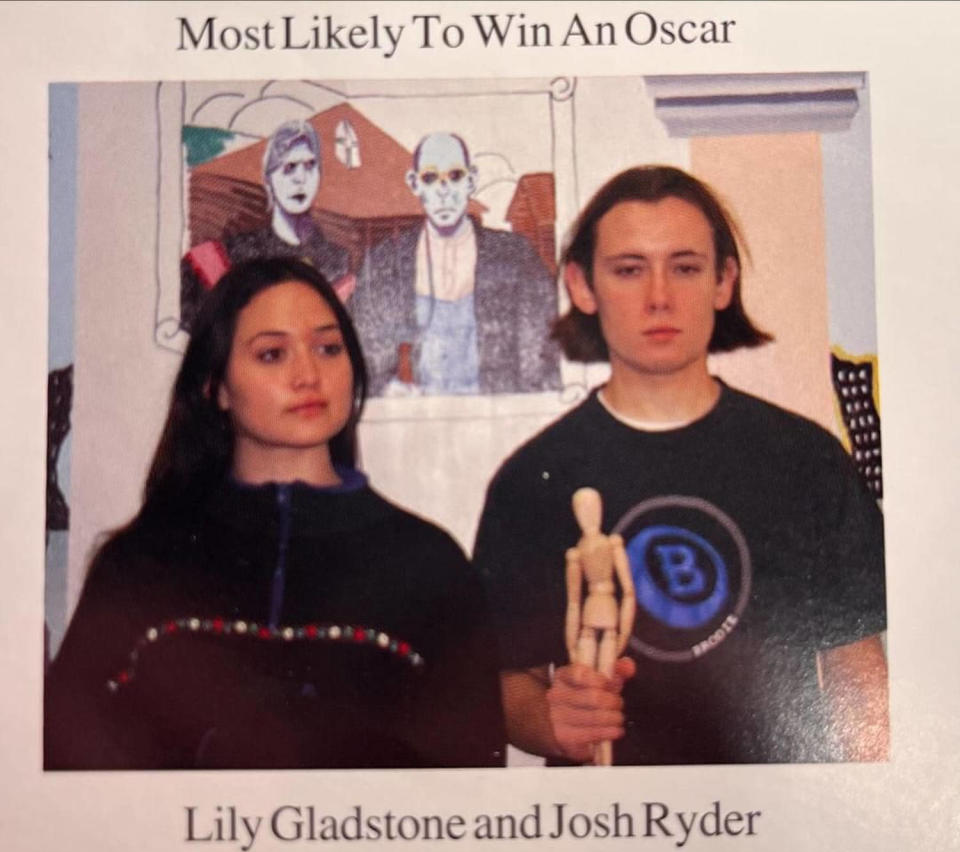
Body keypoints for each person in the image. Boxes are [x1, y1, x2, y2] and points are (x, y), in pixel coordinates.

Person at [473, 165, 888, 766]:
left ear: (724, 282)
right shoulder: (532, 478)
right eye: (629, 269)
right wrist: (548, 719)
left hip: (775, 827)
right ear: (582, 286)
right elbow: (505, 682)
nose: (659, 296)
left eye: (685, 267)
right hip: (609, 831)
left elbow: (859, 676)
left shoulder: (805, 459)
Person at [46, 258, 505, 769]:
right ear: (214, 386)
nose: (308, 375)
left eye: (328, 348)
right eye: (271, 354)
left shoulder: (431, 564)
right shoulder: (138, 563)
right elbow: (69, 770)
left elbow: (468, 793)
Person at [348, 132, 560, 396]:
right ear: (414, 184)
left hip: (501, 420)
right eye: (430, 178)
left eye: (455, 176)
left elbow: (544, 362)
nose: (444, 191)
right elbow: (361, 364)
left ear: (471, 181)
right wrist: (388, 391)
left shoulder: (515, 258)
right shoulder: (386, 263)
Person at [180, 120, 353, 333]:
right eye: (289, 167)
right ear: (268, 179)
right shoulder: (234, 255)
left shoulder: (338, 261)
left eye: (310, 165)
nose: (301, 178)